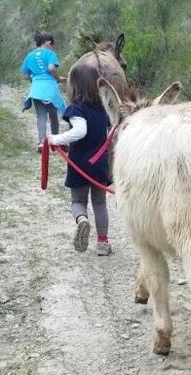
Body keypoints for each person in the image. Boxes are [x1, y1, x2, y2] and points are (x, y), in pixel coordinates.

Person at [47, 64, 112, 256]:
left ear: (75, 86)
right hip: (99, 165)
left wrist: (55, 139)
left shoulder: (76, 109)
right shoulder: (103, 110)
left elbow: (80, 131)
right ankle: (102, 243)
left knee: (78, 201)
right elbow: (104, 134)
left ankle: (82, 220)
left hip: (79, 165)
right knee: (100, 204)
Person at [21, 32, 67, 152]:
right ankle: (55, 141)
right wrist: (58, 78)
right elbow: (51, 68)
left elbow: (25, 75)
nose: (52, 47)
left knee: (41, 116)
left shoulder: (29, 56)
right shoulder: (50, 54)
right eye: (52, 44)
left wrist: (35, 80)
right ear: (48, 42)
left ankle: (41, 142)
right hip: (50, 88)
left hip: (36, 89)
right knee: (53, 116)